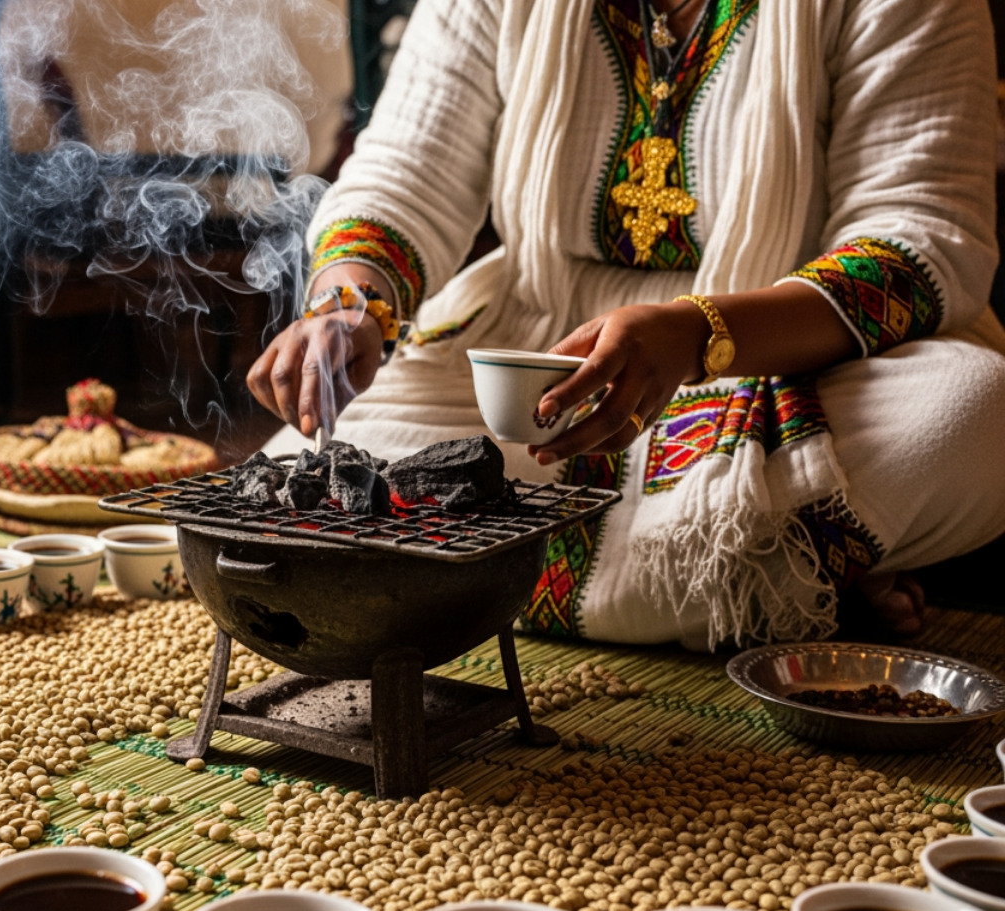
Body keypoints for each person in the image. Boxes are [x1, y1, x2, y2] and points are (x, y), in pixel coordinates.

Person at [247, 0, 1005, 651]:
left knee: (969, 412)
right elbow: (407, 174)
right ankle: (788, 574)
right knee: (310, 475)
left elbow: (920, 241)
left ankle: (460, 584)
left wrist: (697, 333)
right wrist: (353, 307)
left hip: (784, 363)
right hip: (537, 351)